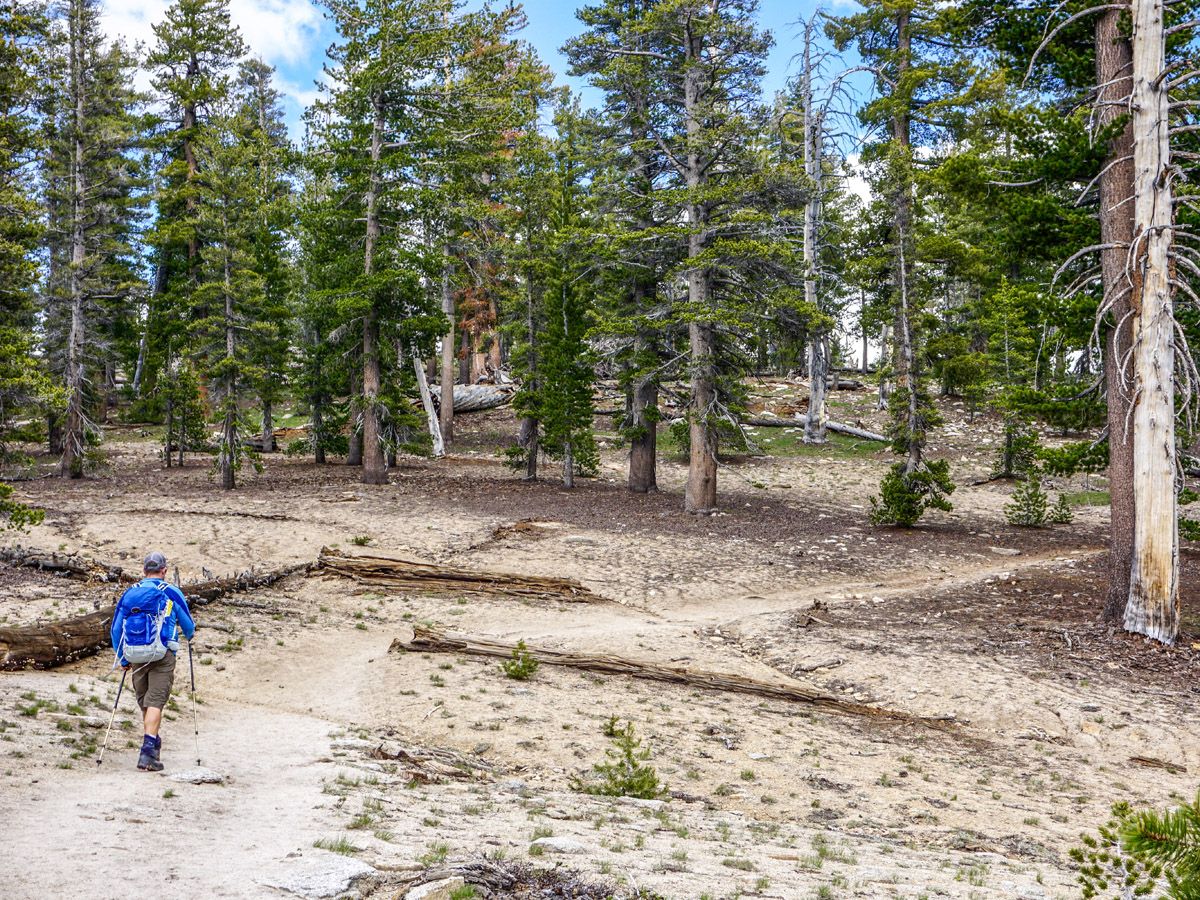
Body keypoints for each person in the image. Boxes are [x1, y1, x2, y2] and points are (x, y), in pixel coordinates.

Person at [109, 551, 195, 772]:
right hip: (163, 653)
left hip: (136, 655)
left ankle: (152, 743)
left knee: (146, 702)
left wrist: (122, 658)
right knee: (155, 701)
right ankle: (148, 751)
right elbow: (189, 628)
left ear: (143, 570)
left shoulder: (130, 593)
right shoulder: (171, 592)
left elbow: (116, 629)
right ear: (164, 571)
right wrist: (187, 633)